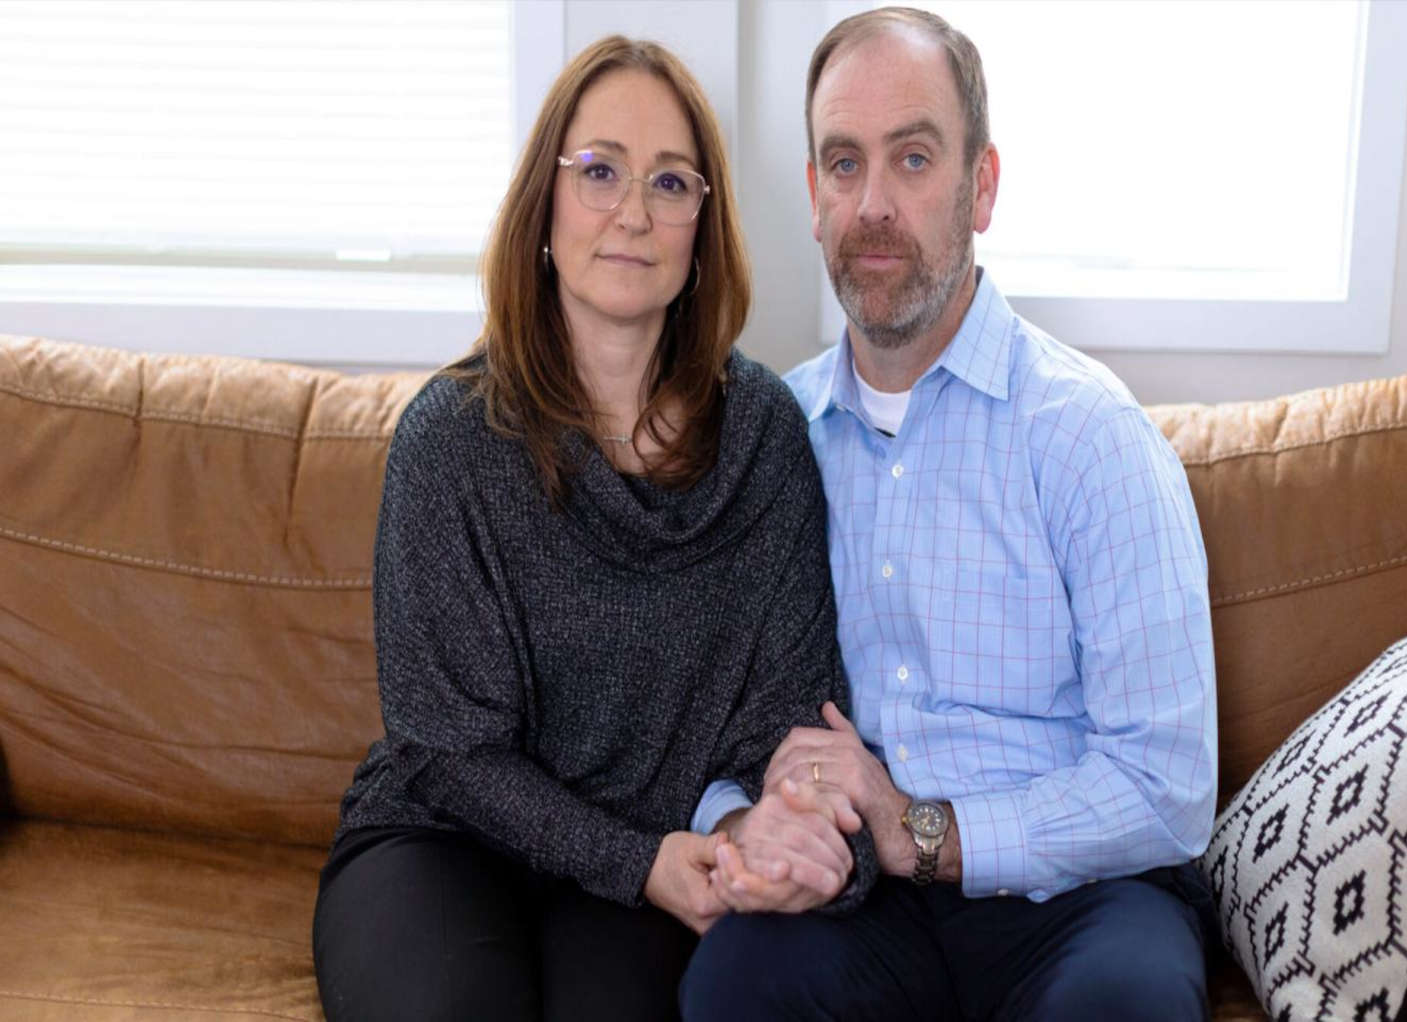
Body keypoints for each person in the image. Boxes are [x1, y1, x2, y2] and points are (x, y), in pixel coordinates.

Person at [311, 36, 876, 1022]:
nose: (633, 213)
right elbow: (444, 749)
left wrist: (756, 832)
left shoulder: (764, 437)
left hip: (654, 863)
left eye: (671, 182)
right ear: (545, 204)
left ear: (703, 227)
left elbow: (785, 713)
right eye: (600, 171)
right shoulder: (450, 438)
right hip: (445, 839)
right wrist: (636, 859)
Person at [681, 8, 1218, 1021]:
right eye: (845, 163)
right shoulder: (769, 435)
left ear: (983, 186)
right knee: (732, 983)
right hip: (856, 902)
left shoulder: (1091, 436)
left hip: (1075, 900)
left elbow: (1168, 786)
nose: (874, 205)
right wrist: (744, 824)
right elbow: (701, 724)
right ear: (813, 195)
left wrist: (919, 830)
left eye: (914, 158)